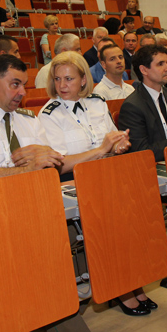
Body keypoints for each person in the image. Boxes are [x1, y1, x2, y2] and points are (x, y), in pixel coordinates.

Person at [0, 54, 91, 332]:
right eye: (15, 84)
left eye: (24, 85)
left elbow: (50, 164)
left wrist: (39, 163)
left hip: (31, 207)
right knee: (22, 256)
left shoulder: (29, 120)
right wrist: (28, 168)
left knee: (51, 254)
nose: (22, 92)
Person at [39, 52, 153, 316]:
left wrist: (119, 144)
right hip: (73, 183)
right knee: (113, 218)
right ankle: (120, 286)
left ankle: (133, 277)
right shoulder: (49, 114)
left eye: (69, 78)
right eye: (57, 79)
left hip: (106, 176)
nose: (62, 85)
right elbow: (59, 165)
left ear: (83, 80)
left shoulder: (97, 103)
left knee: (137, 212)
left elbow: (114, 140)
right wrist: (101, 150)